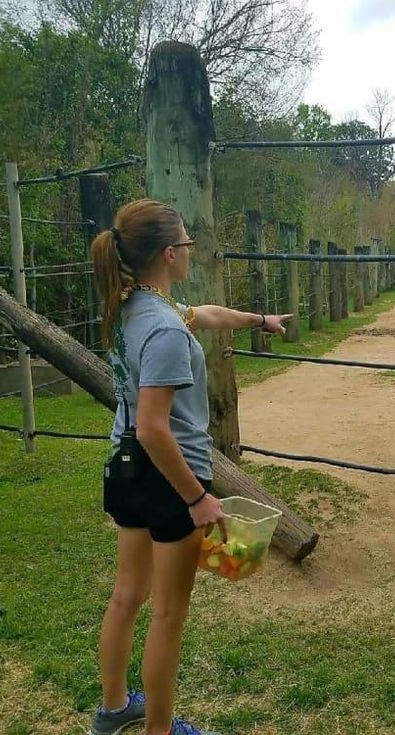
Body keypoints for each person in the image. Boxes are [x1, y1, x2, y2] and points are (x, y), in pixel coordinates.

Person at [87, 198, 290, 735]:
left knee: (128, 595)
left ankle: (112, 711)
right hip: (169, 478)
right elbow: (156, 427)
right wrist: (198, 499)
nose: (191, 256)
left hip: (126, 471)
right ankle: (159, 730)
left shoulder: (131, 306)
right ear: (172, 253)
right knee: (168, 616)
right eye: (189, 246)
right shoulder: (169, 331)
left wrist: (259, 320)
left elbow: (207, 315)